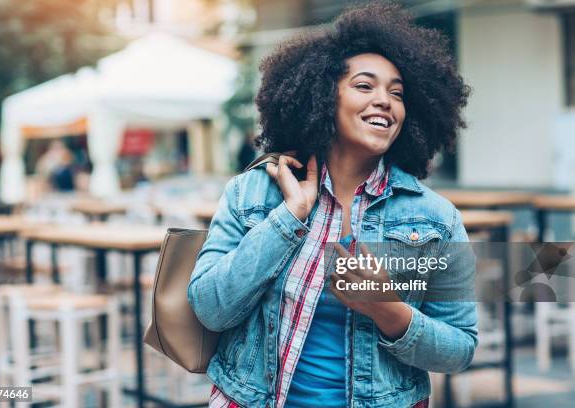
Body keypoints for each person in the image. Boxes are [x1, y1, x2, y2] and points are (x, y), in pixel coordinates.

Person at [188, 3, 477, 407]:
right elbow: (209, 309)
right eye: (364, 86)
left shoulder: (435, 219)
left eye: (397, 92)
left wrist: (390, 311)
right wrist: (288, 219)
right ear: (324, 96)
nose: (384, 101)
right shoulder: (253, 193)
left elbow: (460, 347)